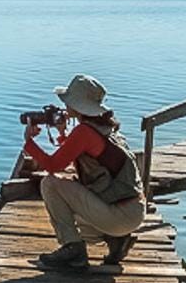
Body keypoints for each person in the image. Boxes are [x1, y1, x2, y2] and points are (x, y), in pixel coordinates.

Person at [22, 73, 145, 270]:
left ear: (77, 105)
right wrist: (63, 133)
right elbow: (86, 155)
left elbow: (53, 166)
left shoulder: (84, 132)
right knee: (70, 217)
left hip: (119, 214)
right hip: (133, 212)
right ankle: (116, 241)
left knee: (50, 183)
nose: (64, 105)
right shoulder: (106, 127)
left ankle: (74, 251)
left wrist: (29, 143)